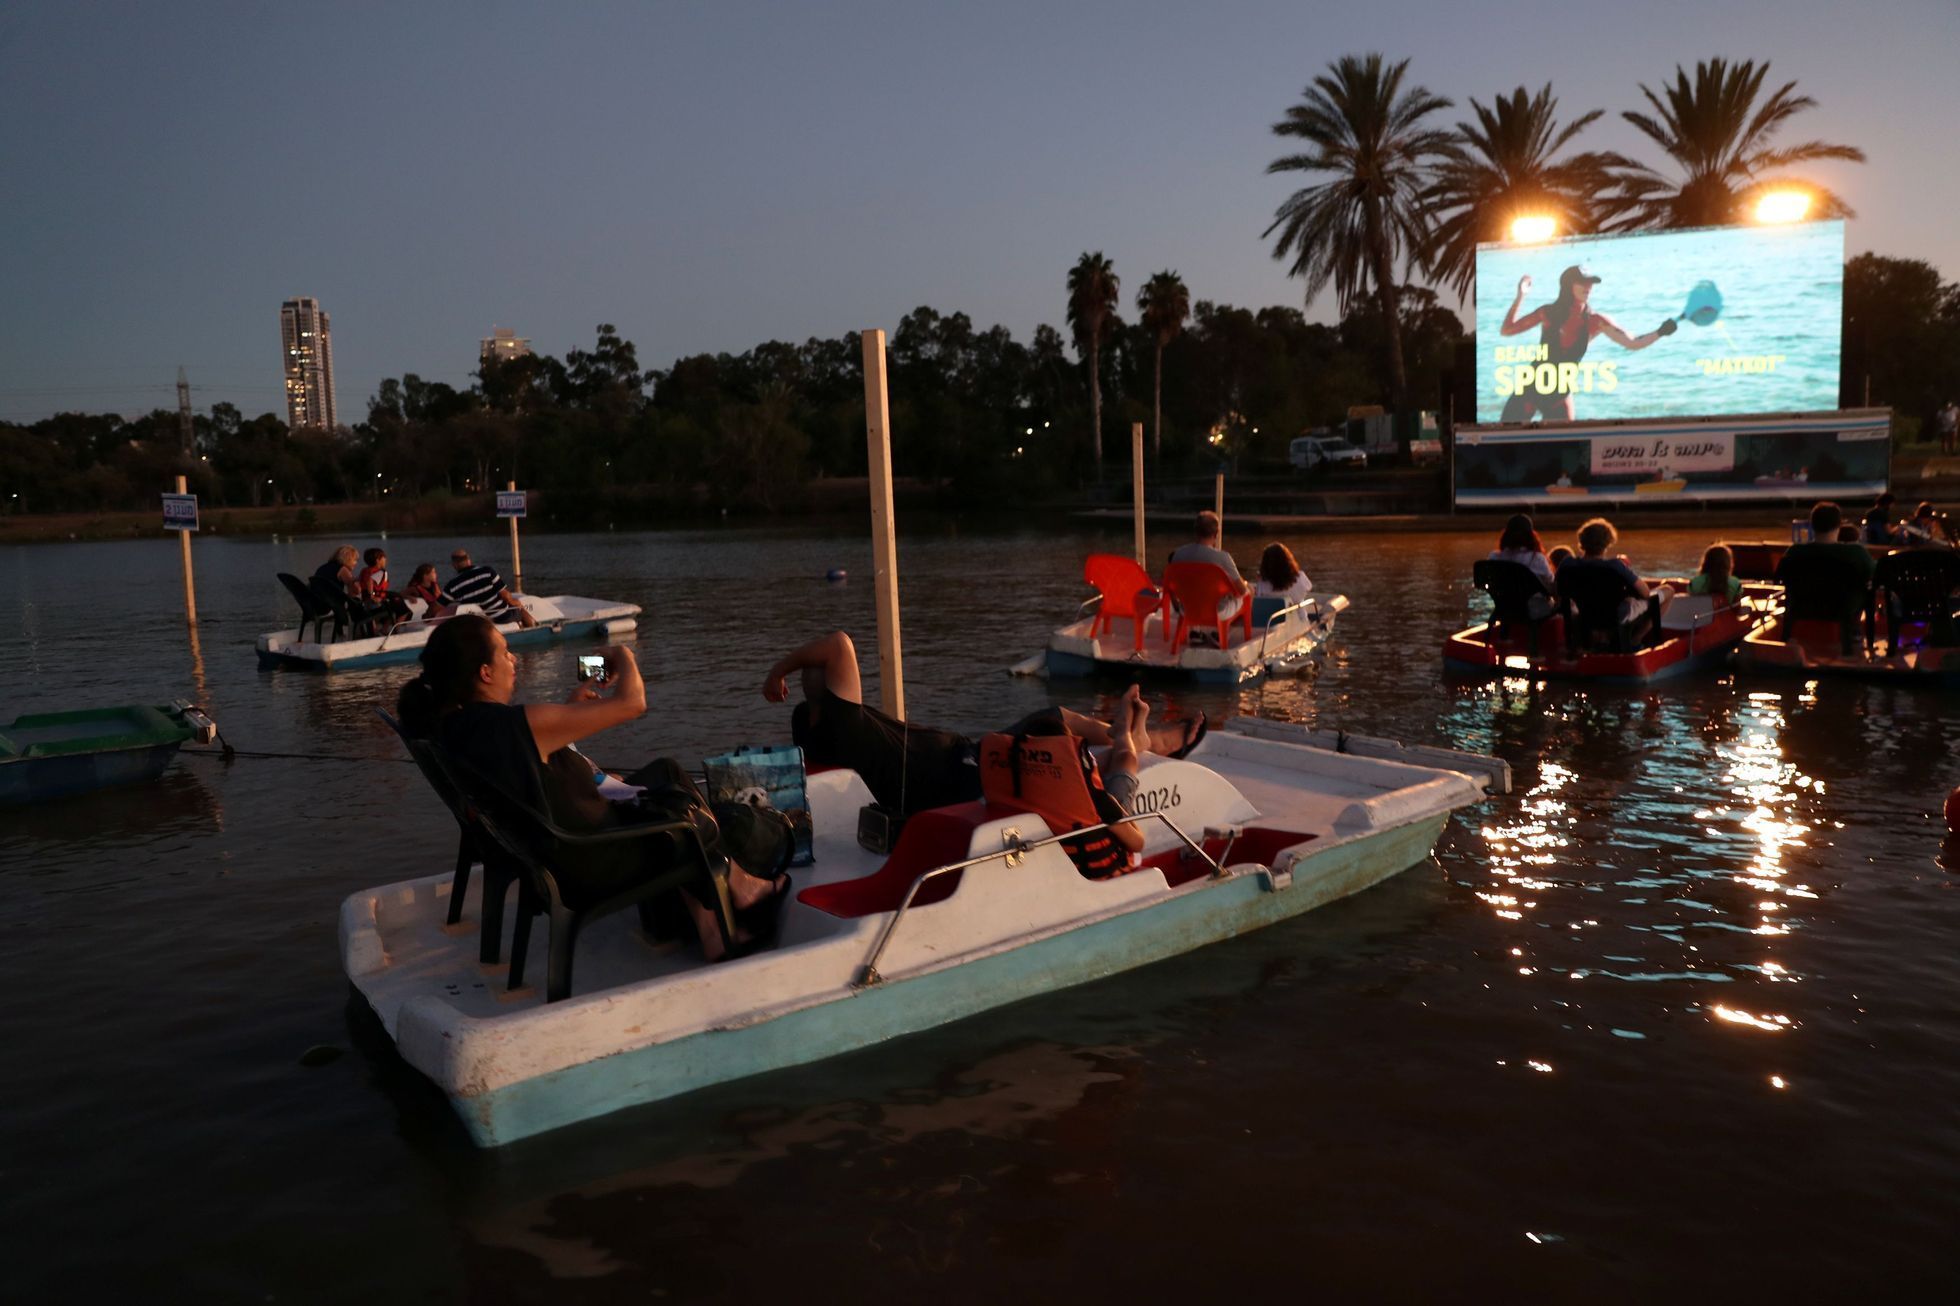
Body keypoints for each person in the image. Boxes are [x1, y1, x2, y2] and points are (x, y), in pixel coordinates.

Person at [398, 616, 790, 962]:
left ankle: (715, 916)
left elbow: (531, 756)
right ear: (484, 672)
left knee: (664, 774)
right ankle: (739, 889)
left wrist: (569, 711)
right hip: (590, 862)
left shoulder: (458, 727)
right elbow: (632, 703)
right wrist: (623, 655)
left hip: (552, 853)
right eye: (504, 652)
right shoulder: (509, 726)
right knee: (686, 812)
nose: (513, 660)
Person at [760, 630, 1208, 820]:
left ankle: (1125, 737)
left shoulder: (808, 720)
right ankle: (1139, 744)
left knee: (1051, 722)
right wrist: (777, 670)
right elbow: (839, 644)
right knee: (1052, 730)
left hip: (955, 758)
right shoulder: (842, 721)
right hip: (958, 775)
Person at [1498, 265, 1678, 422]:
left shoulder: (1595, 321)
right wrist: (1520, 296)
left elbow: (1632, 342)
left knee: (1564, 453)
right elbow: (1507, 330)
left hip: (1560, 394)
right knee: (1505, 445)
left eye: (1590, 283)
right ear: (1568, 285)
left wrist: (1660, 332)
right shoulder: (1547, 313)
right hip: (1530, 388)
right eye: (1582, 282)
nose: (1588, 287)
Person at [1775, 501, 1877, 654]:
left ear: (1812, 525)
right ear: (1839, 525)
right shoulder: (1856, 553)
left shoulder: (1794, 552)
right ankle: (1855, 638)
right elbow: (1875, 577)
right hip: (1843, 608)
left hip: (1802, 605)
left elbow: (1779, 577)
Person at [1556, 517, 1665, 647]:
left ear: (1582, 541)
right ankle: (1636, 639)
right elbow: (1646, 593)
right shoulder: (1614, 566)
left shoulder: (1567, 565)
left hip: (1583, 617)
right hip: (1614, 617)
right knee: (1668, 590)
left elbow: (1559, 592)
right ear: (1607, 543)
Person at [1167, 510, 1250, 630]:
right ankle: (1221, 632)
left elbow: (1170, 585)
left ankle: (1198, 631)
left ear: (1195, 532)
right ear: (1216, 534)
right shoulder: (1222, 558)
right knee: (1249, 592)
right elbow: (1242, 591)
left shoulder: (1178, 555)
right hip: (1217, 611)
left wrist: (1177, 606)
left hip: (1187, 609)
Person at [447, 548, 536, 627]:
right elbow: (505, 596)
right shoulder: (487, 571)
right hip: (500, 616)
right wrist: (516, 603)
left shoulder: (452, 584)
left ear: (454, 565)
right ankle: (533, 628)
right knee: (518, 608)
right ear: (468, 560)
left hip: (477, 619)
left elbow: (438, 606)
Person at [1487, 513, 1556, 590]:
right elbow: (1550, 582)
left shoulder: (1494, 558)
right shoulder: (1537, 559)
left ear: (1506, 536)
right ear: (1531, 537)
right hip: (1533, 600)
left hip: (1504, 601)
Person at [358, 547, 412, 627]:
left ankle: (385, 628)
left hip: (367, 603)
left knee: (395, 598)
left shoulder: (365, 570)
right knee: (405, 611)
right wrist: (372, 595)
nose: (386, 559)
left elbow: (363, 583)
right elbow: (369, 581)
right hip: (375, 605)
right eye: (384, 557)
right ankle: (393, 628)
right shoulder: (380, 572)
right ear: (378, 560)